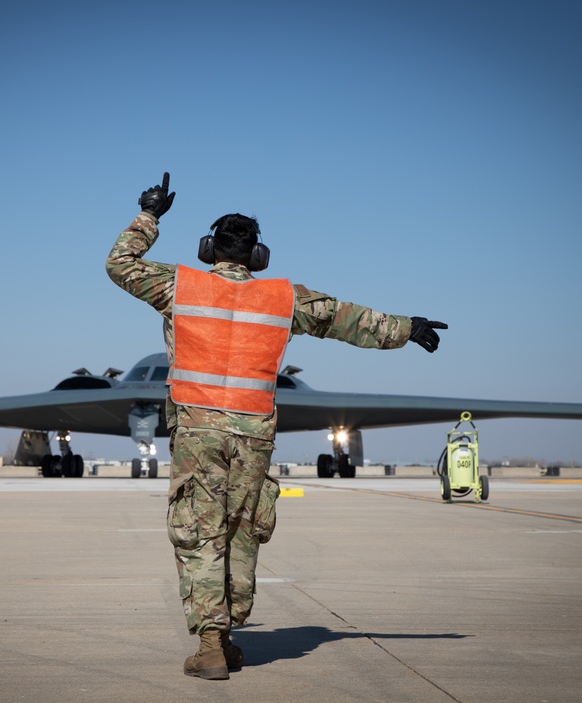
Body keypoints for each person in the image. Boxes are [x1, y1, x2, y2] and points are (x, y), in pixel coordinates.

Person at [105, 172, 447, 680]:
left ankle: (211, 644)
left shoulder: (180, 285)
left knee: (201, 534)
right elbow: (347, 319)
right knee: (244, 530)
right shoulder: (284, 298)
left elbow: (120, 264)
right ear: (257, 256)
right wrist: (407, 328)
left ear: (207, 249)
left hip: (199, 432)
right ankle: (227, 633)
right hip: (254, 435)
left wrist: (149, 213)